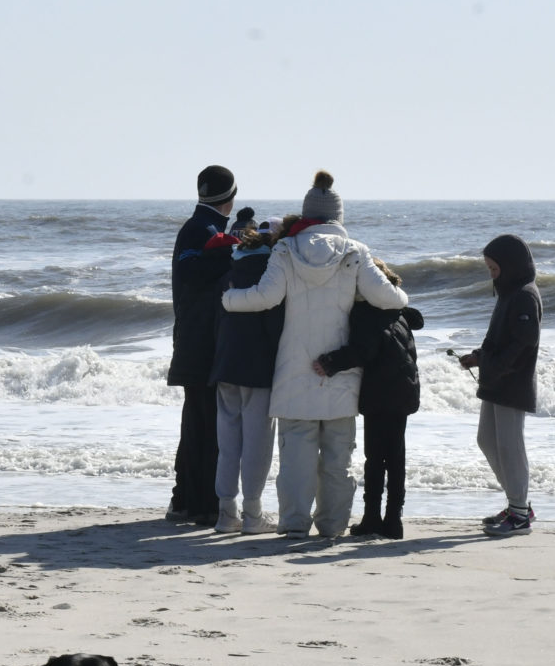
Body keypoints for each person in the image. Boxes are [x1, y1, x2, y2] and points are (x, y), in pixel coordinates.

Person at [219, 171, 409, 539]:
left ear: (307, 214)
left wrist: (229, 299)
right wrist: (403, 299)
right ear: (339, 217)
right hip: (339, 372)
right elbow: (387, 297)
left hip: (293, 371)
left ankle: (293, 525)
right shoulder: (355, 251)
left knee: (296, 460)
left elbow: (266, 297)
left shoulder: (286, 250)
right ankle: (333, 526)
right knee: (338, 458)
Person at [314, 261, 423, 539]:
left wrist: (329, 362)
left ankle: (373, 518)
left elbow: (363, 350)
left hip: (380, 393)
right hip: (404, 390)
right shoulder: (396, 310)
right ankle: (394, 520)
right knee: (396, 457)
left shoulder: (366, 311)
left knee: (375, 458)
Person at [165, 165, 237, 524]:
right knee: (205, 424)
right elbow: (195, 274)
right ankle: (199, 503)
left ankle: (186, 500)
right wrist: (232, 249)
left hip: (195, 340)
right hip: (201, 342)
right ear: (231, 199)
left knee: (198, 422)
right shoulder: (202, 230)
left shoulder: (199, 228)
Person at [456, 233, 541, 537]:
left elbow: (523, 344)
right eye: (489, 269)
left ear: (511, 265)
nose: (491, 274)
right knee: (487, 441)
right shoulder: (507, 291)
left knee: (509, 446)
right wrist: (479, 357)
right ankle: (517, 503)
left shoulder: (524, 295)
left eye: (494, 269)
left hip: (512, 383)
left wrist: (495, 367)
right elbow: (498, 340)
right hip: (495, 379)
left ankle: (519, 515)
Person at [208, 209, 282, 535]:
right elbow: (276, 328)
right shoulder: (270, 275)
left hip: (225, 366)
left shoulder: (230, 274)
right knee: (257, 445)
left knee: (228, 444)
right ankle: (252, 514)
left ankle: (226, 513)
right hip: (258, 370)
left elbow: (216, 324)